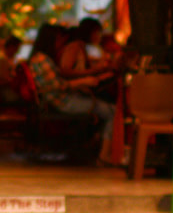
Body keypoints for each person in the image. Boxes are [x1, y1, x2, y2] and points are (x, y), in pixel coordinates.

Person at [28, 23, 115, 161]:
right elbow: (57, 85)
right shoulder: (42, 59)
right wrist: (83, 81)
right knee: (112, 112)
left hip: (59, 100)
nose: (61, 44)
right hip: (63, 102)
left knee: (107, 109)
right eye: (58, 40)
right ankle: (105, 155)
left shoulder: (40, 58)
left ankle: (99, 149)